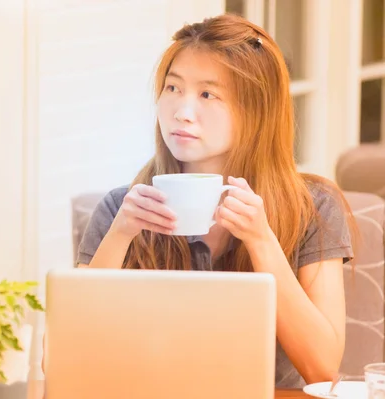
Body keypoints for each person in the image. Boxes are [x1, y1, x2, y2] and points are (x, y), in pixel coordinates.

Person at [75, 14, 356, 389]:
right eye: (173, 88)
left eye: (207, 94)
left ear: (257, 111)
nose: (181, 112)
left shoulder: (314, 208)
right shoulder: (119, 210)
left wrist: (261, 240)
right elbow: (63, 358)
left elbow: (321, 369)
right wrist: (120, 235)